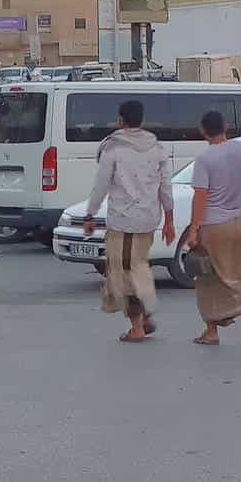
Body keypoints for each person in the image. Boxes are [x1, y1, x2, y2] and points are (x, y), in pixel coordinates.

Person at [84, 100, 173, 343]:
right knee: (138, 265)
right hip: (148, 220)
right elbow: (166, 186)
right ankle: (143, 316)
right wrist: (169, 219)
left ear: (121, 120)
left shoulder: (113, 148)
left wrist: (90, 214)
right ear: (142, 120)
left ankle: (138, 325)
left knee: (124, 274)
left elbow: (101, 185)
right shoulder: (156, 147)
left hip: (123, 222)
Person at [187, 111, 241, 348]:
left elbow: (201, 197)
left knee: (209, 277)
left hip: (215, 226)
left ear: (203, 131)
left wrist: (194, 229)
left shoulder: (204, 159)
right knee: (237, 272)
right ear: (225, 126)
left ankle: (239, 315)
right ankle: (229, 320)